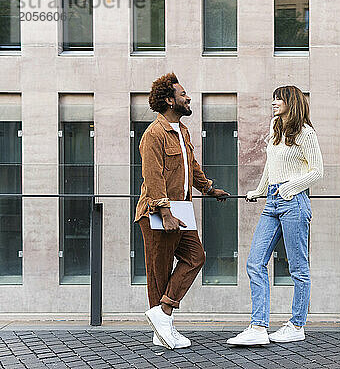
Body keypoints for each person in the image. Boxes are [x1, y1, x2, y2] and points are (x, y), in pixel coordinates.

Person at [135, 73, 229, 349]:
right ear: (169, 100)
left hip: (182, 208)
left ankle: (162, 315)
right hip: (157, 210)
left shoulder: (182, 131)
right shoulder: (154, 134)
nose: (188, 98)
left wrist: (209, 189)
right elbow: (153, 177)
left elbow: (191, 167)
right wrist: (164, 213)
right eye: (183, 94)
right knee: (159, 273)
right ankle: (163, 330)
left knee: (195, 257)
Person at [227, 85, 324, 346]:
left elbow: (317, 172)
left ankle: (296, 325)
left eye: (278, 99)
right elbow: (271, 164)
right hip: (272, 201)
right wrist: (259, 190)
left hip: (294, 202)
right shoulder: (275, 128)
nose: (273, 103)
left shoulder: (306, 133)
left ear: (291, 102)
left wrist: (288, 188)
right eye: (273, 99)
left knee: (298, 268)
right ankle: (258, 327)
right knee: (255, 262)